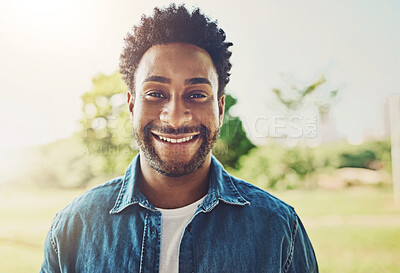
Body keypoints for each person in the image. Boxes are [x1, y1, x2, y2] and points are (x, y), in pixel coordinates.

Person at [41, 4, 318, 273]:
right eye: (156, 94)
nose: (175, 118)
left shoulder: (279, 228)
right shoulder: (72, 228)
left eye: (196, 95)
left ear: (219, 109)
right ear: (132, 105)